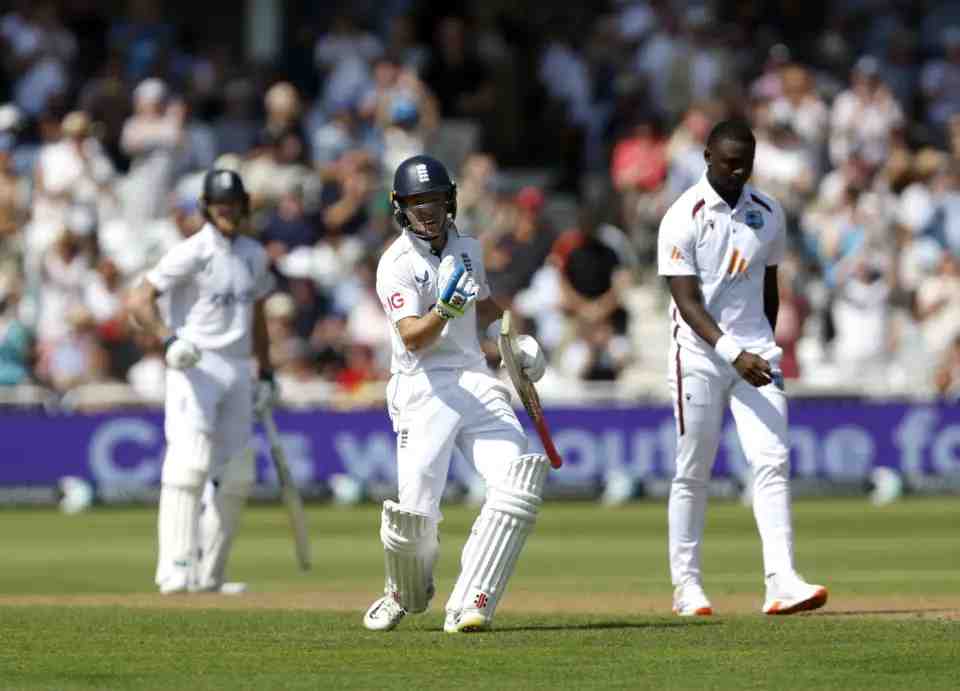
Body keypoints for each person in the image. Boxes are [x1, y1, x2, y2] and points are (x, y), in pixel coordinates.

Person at [363, 154, 550, 633]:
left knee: (517, 482)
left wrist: (515, 339)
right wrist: (444, 310)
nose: (427, 210)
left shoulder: (468, 247)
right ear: (400, 206)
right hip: (423, 390)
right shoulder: (396, 264)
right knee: (415, 522)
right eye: (416, 202)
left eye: (434, 200)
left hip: (475, 380)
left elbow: (486, 307)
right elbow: (411, 337)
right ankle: (401, 591)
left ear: (450, 201)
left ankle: (471, 602)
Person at [656, 119, 827, 616]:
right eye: (729, 162)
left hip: (756, 356)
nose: (737, 172)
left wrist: (766, 346)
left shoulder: (768, 212)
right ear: (707, 156)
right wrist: (734, 352)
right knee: (694, 471)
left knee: (772, 463)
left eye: (746, 164)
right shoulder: (681, 215)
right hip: (699, 356)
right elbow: (686, 302)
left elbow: (768, 286)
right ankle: (686, 587)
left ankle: (782, 580)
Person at [126, 169, 277, 594]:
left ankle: (210, 575)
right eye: (219, 204)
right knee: (189, 465)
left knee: (238, 476)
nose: (226, 211)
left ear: (243, 206)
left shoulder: (254, 254)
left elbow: (259, 317)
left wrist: (265, 371)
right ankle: (174, 569)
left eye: (232, 204)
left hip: (237, 367)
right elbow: (139, 297)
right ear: (207, 208)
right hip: (195, 363)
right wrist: (167, 339)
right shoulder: (191, 252)